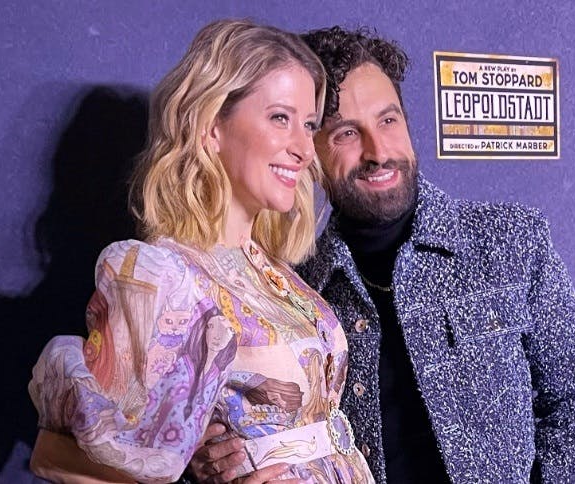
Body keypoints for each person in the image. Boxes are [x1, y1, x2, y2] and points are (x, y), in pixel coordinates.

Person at [190, 26, 575, 483]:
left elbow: (574, 397)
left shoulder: (510, 240)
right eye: (347, 133)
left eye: (388, 121)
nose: (378, 152)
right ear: (310, 151)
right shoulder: (294, 287)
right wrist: (205, 463)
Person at [27, 19, 375, 484]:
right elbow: (55, 457)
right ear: (211, 127)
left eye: (308, 125)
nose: (303, 148)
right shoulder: (164, 277)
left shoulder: (275, 272)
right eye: (280, 118)